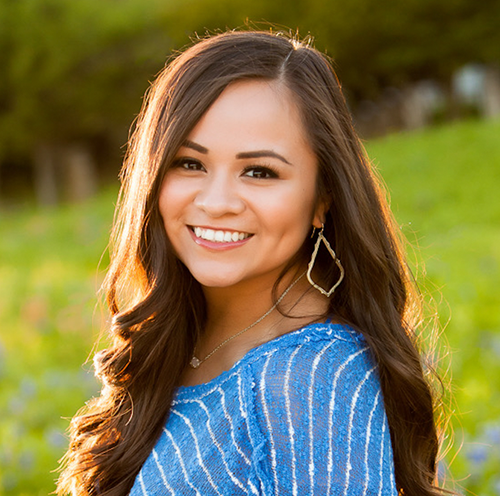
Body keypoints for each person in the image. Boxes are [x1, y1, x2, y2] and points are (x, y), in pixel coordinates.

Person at [57, 30, 447, 495]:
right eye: (189, 163)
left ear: (323, 198)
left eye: (260, 172)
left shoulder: (311, 375)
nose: (217, 202)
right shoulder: (180, 345)